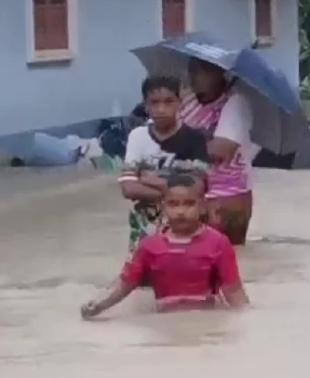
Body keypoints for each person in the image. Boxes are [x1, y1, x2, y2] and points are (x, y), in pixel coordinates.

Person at [81, 172, 249, 318]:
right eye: (173, 204)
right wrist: (99, 304)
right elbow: (126, 283)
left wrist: (248, 318)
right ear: (163, 206)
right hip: (164, 319)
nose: (181, 211)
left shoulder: (218, 243)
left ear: (203, 206)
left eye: (189, 203)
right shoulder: (149, 246)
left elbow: (233, 291)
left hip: (208, 318)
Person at [119, 74, 210, 250]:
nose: (161, 109)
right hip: (144, 230)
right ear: (146, 105)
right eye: (154, 102)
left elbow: (197, 188)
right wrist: (177, 191)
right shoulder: (138, 136)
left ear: (180, 103)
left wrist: (152, 181)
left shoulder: (194, 138)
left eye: (169, 102)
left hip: (187, 229)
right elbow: (128, 188)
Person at [180, 58, 256, 246]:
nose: (195, 79)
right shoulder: (187, 103)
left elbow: (221, 149)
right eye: (192, 72)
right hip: (193, 198)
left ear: (220, 74)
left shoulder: (236, 103)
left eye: (202, 73)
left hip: (227, 198)